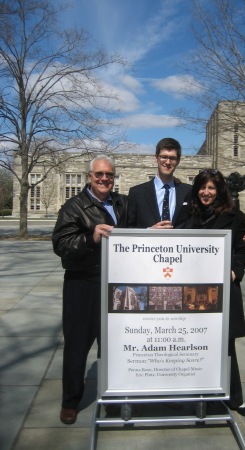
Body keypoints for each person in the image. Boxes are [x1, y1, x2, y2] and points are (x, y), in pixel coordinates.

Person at [52, 155, 127, 425]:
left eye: (109, 174)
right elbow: (61, 244)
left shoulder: (122, 203)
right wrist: (90, 237)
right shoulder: (74, 207)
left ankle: (112, 397)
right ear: (89, 177)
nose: (104, 179)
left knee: (112, 345)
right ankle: (70, 400)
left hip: (116, 284)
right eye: (99, 175)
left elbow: (135, 232)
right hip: (82, 284)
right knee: (77, 345)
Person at [183, 168, 245, 417]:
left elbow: (243, 249)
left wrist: (235, 272)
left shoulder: (235, 216)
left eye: (211, 188)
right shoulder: (186, 215)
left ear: (219, 190)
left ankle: (235, 398)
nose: (206, 192)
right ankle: (198, 392)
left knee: (225, 345)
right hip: (192, 290)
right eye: (202, 187)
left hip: (223, 290)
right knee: (196, 343)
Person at [127, 137, 191, 229]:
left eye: (172, 158)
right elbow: (128, 228)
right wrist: (149, 231)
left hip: (180, 243)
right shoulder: (137, 193)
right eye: (164, 157)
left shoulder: (189, 192)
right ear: (156, 158)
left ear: (178, 161)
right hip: (147, 243)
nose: (168, 162)